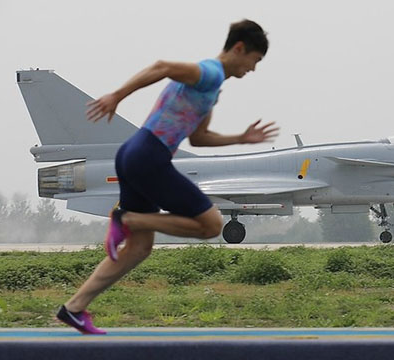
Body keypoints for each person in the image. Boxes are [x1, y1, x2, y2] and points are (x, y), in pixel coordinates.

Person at [56, 19, 278, 334]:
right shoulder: (209, 72)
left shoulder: (211, 88)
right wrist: (116, 96)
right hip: (148, 156)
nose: (253, 69)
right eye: (254, 60)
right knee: (212, 225)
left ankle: (73, 308)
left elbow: (199, 138)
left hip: (135, 153)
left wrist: (241, 138)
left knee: (138, 249)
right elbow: (161, 66)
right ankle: (130, 220)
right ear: (239, 49)